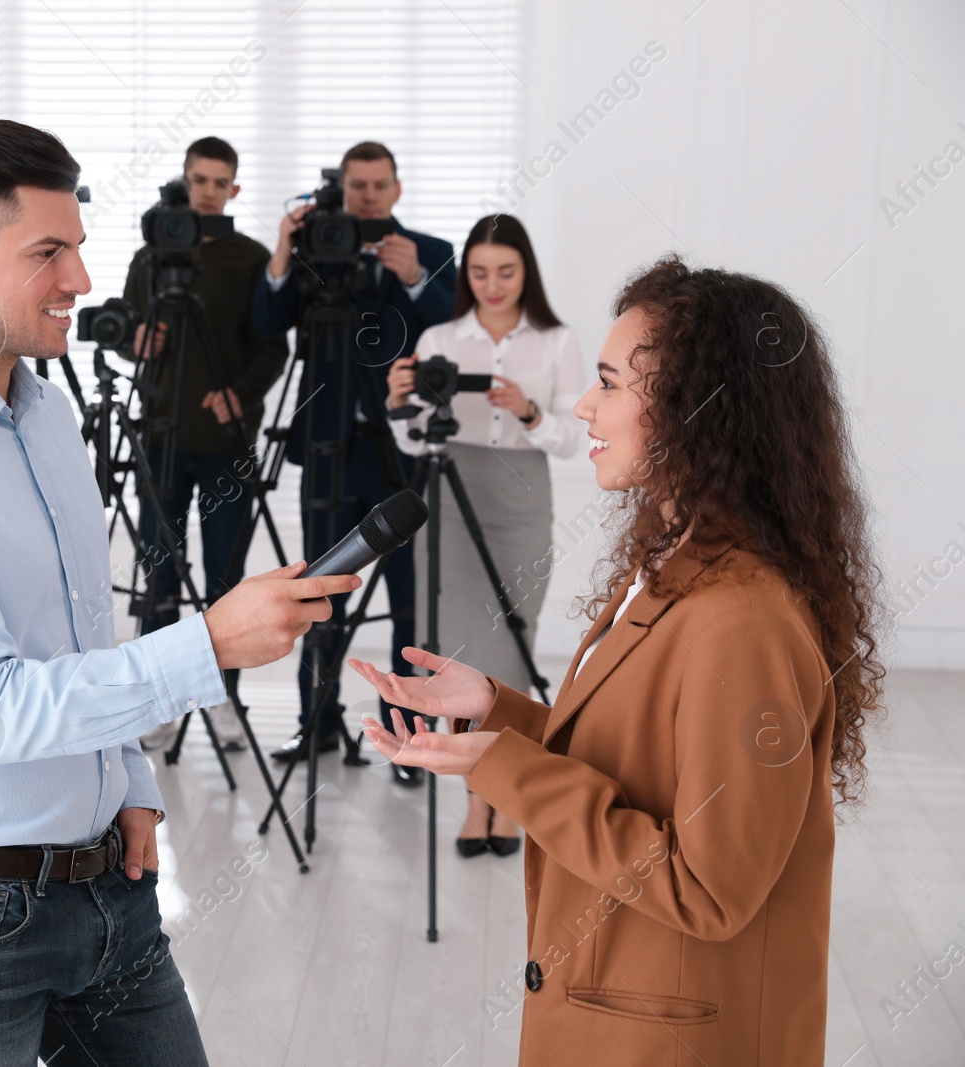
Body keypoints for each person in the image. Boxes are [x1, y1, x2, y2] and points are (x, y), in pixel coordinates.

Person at [0, 119, 359, 1066]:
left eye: (77, 246)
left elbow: (74, 635)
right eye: (48, 252)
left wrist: (129, 781)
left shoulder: (45, 408)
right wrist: (210, 645)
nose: (82, 280)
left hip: (110, 880)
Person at [352, 256, 884, 1066]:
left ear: (696, 412)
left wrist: (505, 768)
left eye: (607, 382)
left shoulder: (741, 619)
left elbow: (711, 888)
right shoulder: (674, 566)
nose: (582, 405)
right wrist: (494, 711)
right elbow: (638, 763)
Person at [253, 141, 457, 785]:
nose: (367, 196)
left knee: (405, 603)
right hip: (326, 444)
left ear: (397, 189)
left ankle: (406, 739)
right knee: (320, 590)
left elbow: (456, 326)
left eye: (378, 185)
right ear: (342, 189)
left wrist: (415, 277)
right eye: (357, 186)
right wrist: (285, 255)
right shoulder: (316, 244)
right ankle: (316, 722)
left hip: (399, 446)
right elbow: (266, 322)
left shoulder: (428, 249)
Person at [385, 214, 582, 853]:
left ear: (526, 272)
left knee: (514, 650)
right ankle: (478, 803)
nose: (493, 285)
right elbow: (415, 437)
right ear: (465, 276)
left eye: (506, 271)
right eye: (479, 273)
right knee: (466, 656)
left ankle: (511, 799)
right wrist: (397, 405)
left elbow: (575, 439)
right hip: (453, 492)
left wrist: (527, 411)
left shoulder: (556, 341)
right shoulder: (443, 336)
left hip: (523, 499)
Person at [121, 136, 288, 752]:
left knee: (226, 578)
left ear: (234, 189)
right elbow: (126, 330)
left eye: (220, 182)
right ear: (185, 180)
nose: (207, 190)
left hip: (226, 439)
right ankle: (158, 703)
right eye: (199, 179)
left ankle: (222, 700)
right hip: (160, 436)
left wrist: (239, 396)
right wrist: (136, 341)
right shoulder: (153, 255)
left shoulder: (250, 259)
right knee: (160, 573)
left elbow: (274, 345)